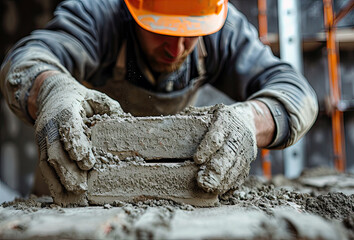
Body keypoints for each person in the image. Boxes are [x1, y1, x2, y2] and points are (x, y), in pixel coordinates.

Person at [0, 0, 318, 199]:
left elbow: (296, 91)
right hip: (76, 180)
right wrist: (53, 90)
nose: (176, 49)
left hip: (175, 189)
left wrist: (251, 121)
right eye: (161, 31)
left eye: (190, 34)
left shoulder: (223, 29)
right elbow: (27, 61)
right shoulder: (98, 16)